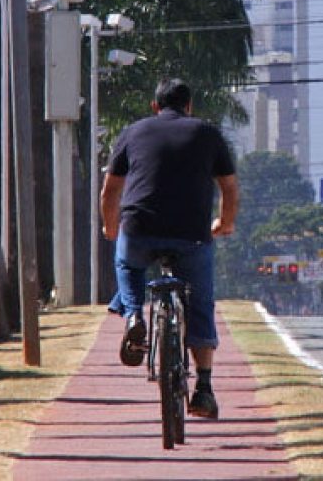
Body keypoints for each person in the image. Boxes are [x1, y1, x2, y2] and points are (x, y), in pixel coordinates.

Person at [100, 78, 238, 419]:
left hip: (139, 228)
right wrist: (224, 223)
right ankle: (203, 389)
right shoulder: (208, 134)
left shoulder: (132, 132)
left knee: (129, 266)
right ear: (189, 106)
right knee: (201, 303)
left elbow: (110, 191)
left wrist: (110, 226)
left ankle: (134, 316)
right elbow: (230, 189)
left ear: (154, 106)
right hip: (192, 234)